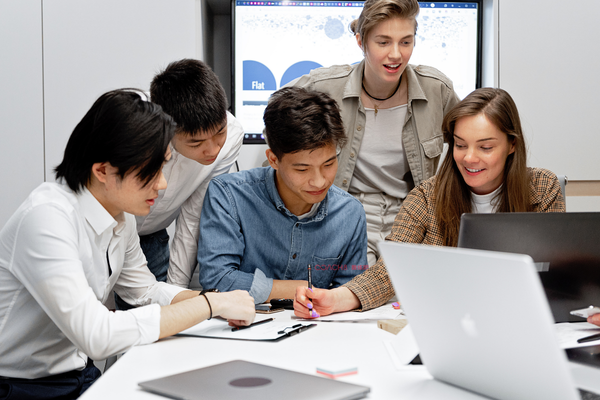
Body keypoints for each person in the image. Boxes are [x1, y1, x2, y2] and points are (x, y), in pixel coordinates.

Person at [0, 90, 254, 399]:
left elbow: (144, 292)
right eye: (150, 173)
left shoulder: (120, 216)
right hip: (19, 386)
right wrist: (209, 305)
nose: (162, 184)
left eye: (162, 167)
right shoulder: (46, 219)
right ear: (103, 170)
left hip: (79, 374)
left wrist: (219, 301)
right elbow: (97, 335)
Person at [294, 87, 565, 318]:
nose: (469, 158)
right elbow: (389, 272)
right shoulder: (426, 197)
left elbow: (558, 274)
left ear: (512, 144)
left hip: (521, 318)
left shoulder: (542, 188)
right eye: (460, 145)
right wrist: (336, 299)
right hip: (452, 322)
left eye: (485, 147)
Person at [288, 0, 461, 266]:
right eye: (383, 42)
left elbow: (469, 144)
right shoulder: (325, 86)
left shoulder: (437, 89)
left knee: (413, 284)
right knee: (360, 283)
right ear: (361, 41)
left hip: (411, 217)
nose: (396, 54)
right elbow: (277, 120)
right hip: (347, 214)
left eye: (406, 42)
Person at [197, 87, 368, 305]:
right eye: (302, 169)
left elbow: (352, 292)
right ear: (273, 160)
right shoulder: (229, 196)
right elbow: (217, 280)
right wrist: (305, 289)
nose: (319, 181)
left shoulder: (350, 213)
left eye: (328, 164)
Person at [117, 59, 244, 308]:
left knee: (154, 309)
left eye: (219, 132)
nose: (213, 150)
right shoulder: (136, 133)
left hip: (153, 236)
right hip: (112, 230)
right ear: (167, 128)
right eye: (196, 143)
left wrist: (179, 296)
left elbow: (193, 216)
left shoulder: (233, 136)